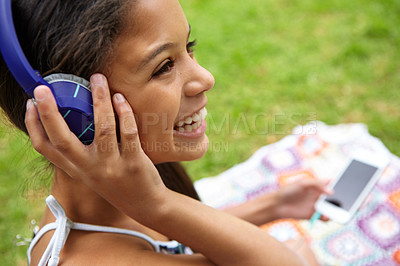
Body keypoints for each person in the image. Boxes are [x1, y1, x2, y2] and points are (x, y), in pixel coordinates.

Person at [0, 0, 331, 265]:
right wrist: (157, 204)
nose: (205, 78)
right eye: (164, 66)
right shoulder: (100, 253)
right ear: (76, 115)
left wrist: (274, 205)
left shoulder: (123, 195)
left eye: (189, 45)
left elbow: (170, 240)